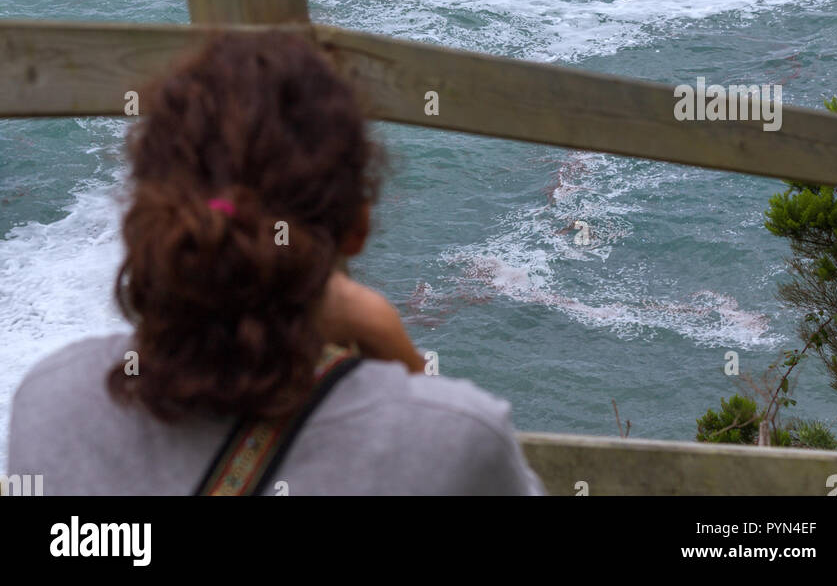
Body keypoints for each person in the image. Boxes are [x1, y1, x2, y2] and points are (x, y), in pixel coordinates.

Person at [7, 31, 544, 495]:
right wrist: (395, 349)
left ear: (146, 205)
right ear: (358, 225)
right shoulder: (455, 438)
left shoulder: (48, 402)